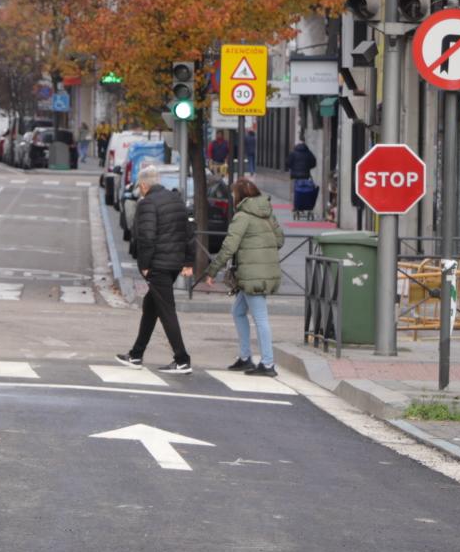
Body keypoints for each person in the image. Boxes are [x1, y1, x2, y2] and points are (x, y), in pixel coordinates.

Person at [116, 164, 196, 374]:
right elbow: (188, 233)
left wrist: (144, 266)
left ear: (143, 185)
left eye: (139, 187)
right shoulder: (175, 200)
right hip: (173, 264)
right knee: (150, 308)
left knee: (166, 311)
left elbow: (146, 238)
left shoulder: (147, 203)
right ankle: (136, 354)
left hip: (158, 265)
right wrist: (188, 262)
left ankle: (182, 359)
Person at [201, 177, 285, 377]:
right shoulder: (267, 212)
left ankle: (267, 363)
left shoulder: (242, 216)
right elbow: (279, 240)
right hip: (261, 272)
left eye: (233, 194)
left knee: (260, 318)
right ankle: (246, 357)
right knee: (238, 311)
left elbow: (229, 246)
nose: (231, 197)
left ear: (239, 196)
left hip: (252, 275)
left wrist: (212, 271)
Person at [288, 137, 318, 216]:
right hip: (306, 174)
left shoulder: (293, 153)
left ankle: (297, 206)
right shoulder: (308, 153)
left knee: (297, 191)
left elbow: (287, 163)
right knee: (306, 189)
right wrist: (308, 167)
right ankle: (306, 205)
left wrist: (293, 167)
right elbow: (314, 162)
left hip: (295, 175)